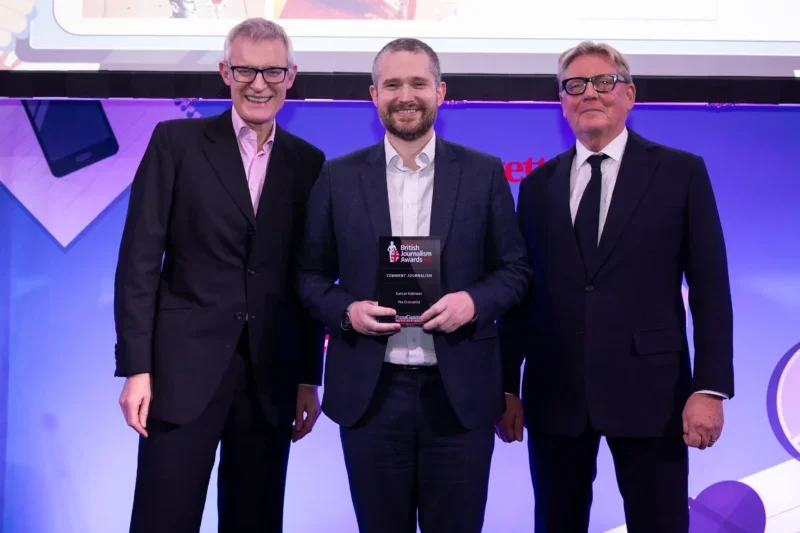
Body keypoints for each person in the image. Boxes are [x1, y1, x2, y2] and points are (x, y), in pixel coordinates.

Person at [497, 41, 734, 532]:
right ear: (561, 102)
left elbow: (711, 289)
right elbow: (522, 294)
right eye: (575, 85)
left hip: (654, 397)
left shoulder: (680, 172)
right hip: (554, 397)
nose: (590, 93)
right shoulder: (537, 186)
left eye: (603, 82)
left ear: (629, 93)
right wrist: (505, 384)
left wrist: (710, 388)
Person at [296, 38, 530, 533]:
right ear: (374, 94)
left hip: (459, 394)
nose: (407, 95)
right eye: (393, 84)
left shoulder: (483, 172)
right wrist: (348, 312)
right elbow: (309, 276)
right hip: (371, 394)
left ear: (440, 92)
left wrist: (472, 302)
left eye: (419, 83)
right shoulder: (337, 177)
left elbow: (515, 271)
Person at [113, 18, 326, 533]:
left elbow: (307, 277)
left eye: (272, 70)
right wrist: (136, 367)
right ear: (223, 72)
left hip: (269, 378)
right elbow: (139, 259)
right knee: (163, 519)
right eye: (245, 69)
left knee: (255, 520)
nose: (259, 83)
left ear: (291, 75)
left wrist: (306, 377)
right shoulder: (176, 143)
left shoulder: (308, 162)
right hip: (179, 374)